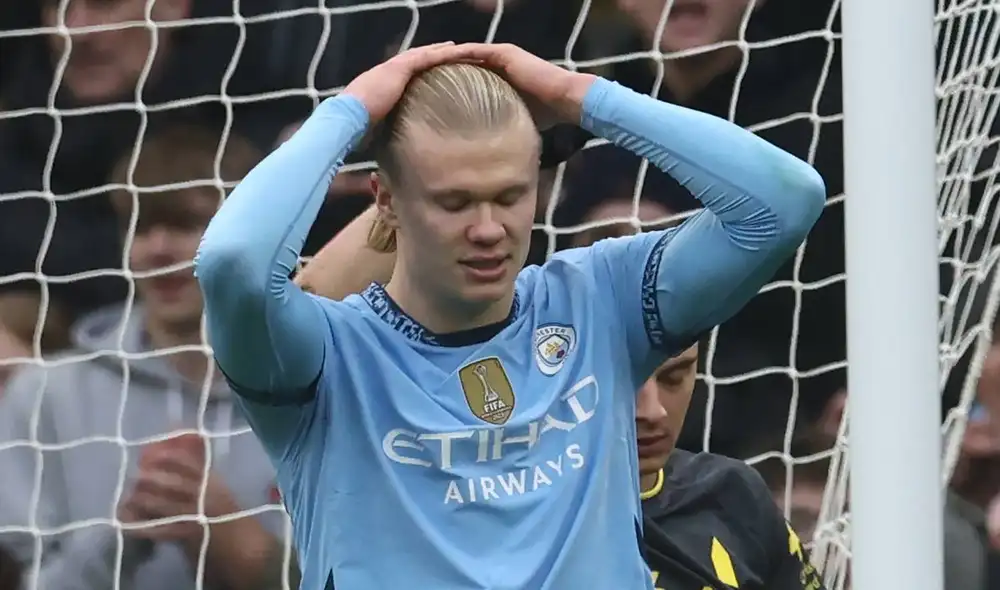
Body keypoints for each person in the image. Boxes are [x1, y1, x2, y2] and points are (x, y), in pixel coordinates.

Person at [195, 42, 825, 588]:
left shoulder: (600, 301)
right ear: (385, 201)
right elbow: (233, 263)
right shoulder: (325, 355)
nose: (489, 229)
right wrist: (351, 111)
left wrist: (580, 96)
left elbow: (784, 201)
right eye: (455, 202)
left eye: (510, 195)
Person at [297, 168, 826, 590]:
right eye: (627, 375)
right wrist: (428, 182)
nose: (651, 411)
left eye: (674, 376)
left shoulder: (733, 498)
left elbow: (789, 200)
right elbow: (314, 296)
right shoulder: (479, 493)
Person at [0, 126, 295, 590]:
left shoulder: (316, 386)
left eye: (186, 225)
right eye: (140, 226)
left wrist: (225, 529)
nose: (158, 248)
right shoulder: (45, 396)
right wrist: (125, 535)